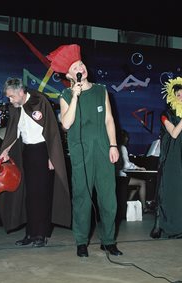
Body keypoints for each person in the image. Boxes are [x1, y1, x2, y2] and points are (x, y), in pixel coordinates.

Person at [47, 44, 122, 257]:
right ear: (70, 75)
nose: (80, 68)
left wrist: (113, 144)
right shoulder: (65, 95)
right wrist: (76, 95)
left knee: (108, 198)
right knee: (82, 197)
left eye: (81, 64)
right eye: (74, 67)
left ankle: (108, 240)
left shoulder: (101, 90)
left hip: (103, 149)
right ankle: (81, 241)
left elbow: (109, 119)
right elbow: (67, 124)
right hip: (81, 151)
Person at [0, 77, 71, 247]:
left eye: (11, 97)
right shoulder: (15, 107)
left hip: (42, 151)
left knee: (41, 194)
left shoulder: (39, 101)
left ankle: (41, 234)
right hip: (27, 152)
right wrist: (6, 149)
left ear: (21, 92)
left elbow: (51, 130)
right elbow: (14, 131)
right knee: (29, 195)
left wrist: (53, 157)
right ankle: (30, 233)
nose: (10, 100)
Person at [150, 77, 182, 239]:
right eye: (178, 94)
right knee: (167, 191)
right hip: (171, 159)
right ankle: (159, 224)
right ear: (172, 96)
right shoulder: (166, 115)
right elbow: (174, 133)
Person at [117, 129, 148, 213]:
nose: (128, 139)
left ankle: (127, 202)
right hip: (121, 177)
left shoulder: (115, 146)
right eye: (127, 137)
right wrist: (138, 167)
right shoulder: (122, 148)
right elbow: (126, 165)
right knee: (142, 183)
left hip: (116, 176)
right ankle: (144, 208)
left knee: (137, 185)